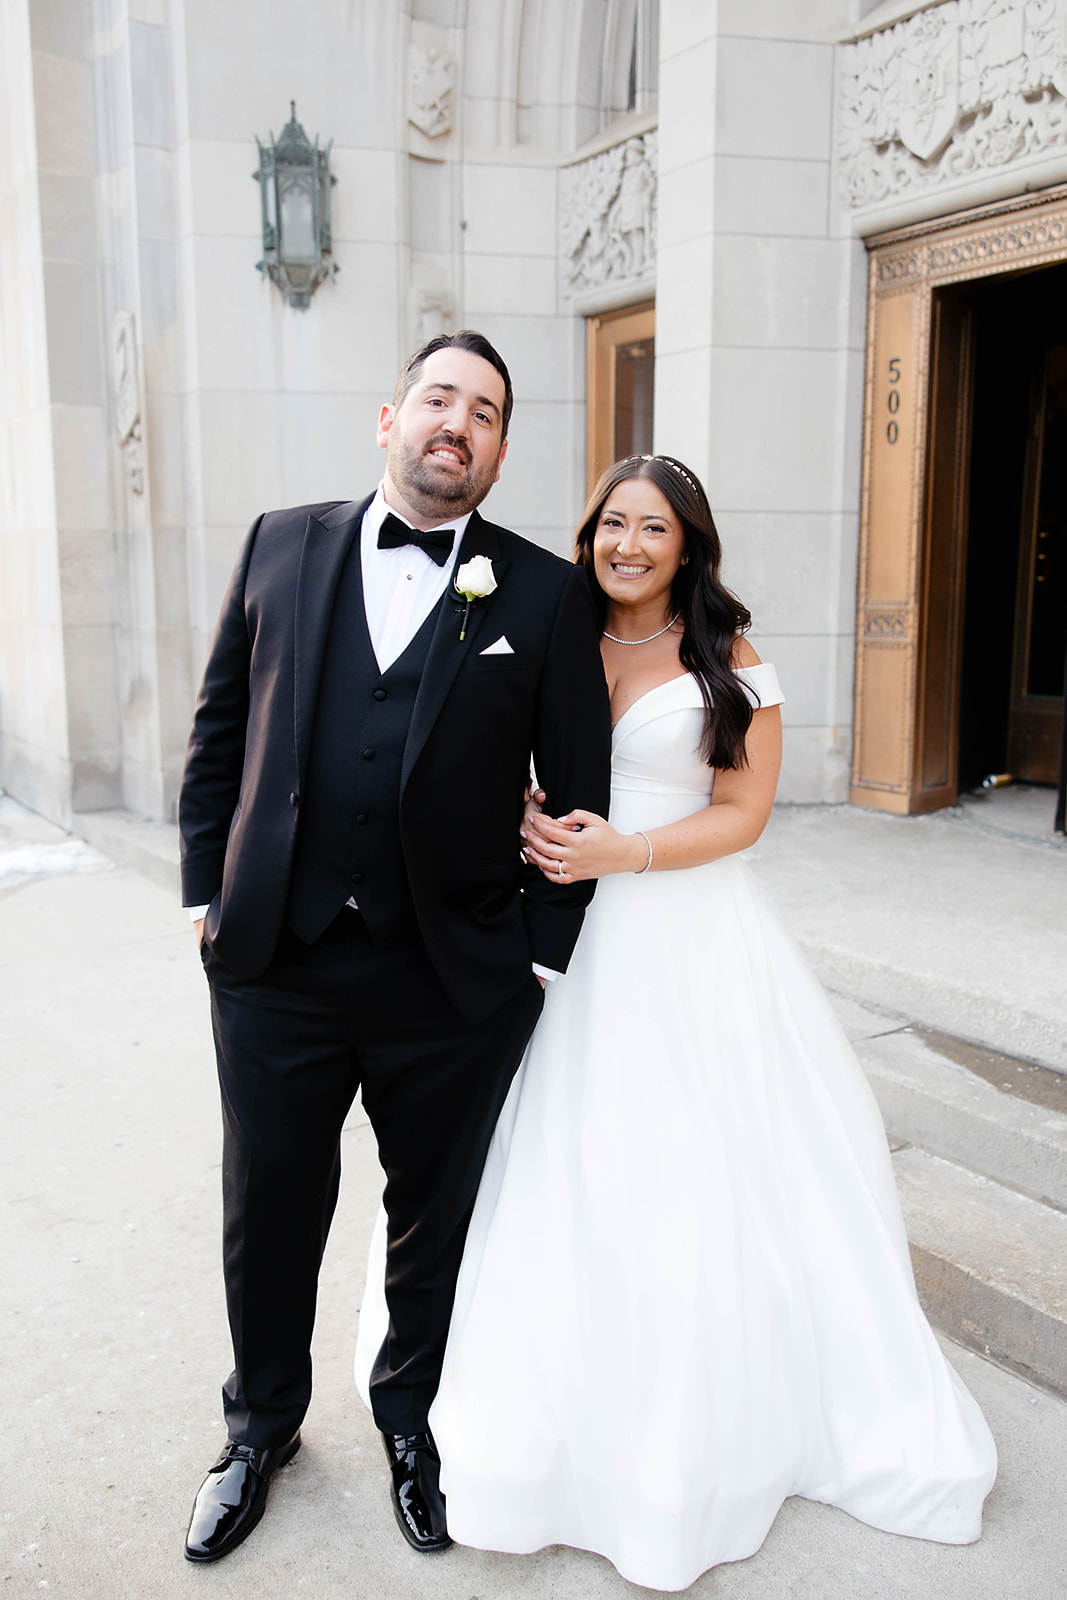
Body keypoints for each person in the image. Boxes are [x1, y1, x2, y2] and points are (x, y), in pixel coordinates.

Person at [356, 453, 997, 1591]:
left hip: (680, 932)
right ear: (589, 531)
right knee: (529, 1161)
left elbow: (743, 814)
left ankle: (672, 1444)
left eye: (654, 528)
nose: (629, 545)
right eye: (613, 523)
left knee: (678, 1172)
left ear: (688, 545)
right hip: (547, 932)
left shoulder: (728, 659)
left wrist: (624, 851)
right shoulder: (545, 622)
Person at [177, 331, 612, 1564]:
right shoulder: (279, 541)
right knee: (269, 1206)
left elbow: (577, 795)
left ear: (500, 449)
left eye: (483, 412)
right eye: (438, 399)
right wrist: (204, 900)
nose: (455, 424)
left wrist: (534, 961)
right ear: (388, 418)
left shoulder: (541, 592)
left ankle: (409, 1420)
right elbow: (220, 729)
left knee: (434, 1214)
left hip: (454, 979)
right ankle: (259, 1427)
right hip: (275, 964)